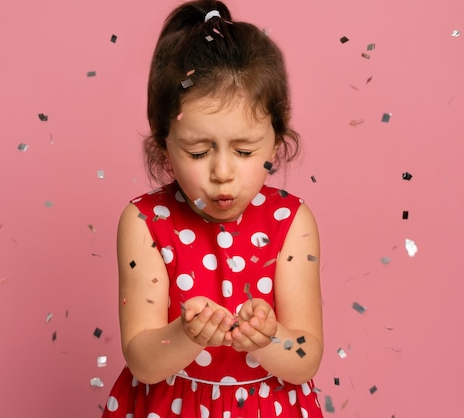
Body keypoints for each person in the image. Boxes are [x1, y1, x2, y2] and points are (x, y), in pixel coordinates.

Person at [102, 1, 323, 416]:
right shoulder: (144, 222)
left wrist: (271, 337)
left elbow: (305, 360)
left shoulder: (292, 221)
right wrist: (187, 335)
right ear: (164, 146)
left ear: (276, 144)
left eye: (244, 150)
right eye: (199, 151)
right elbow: (143, 364)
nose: (223, 172)